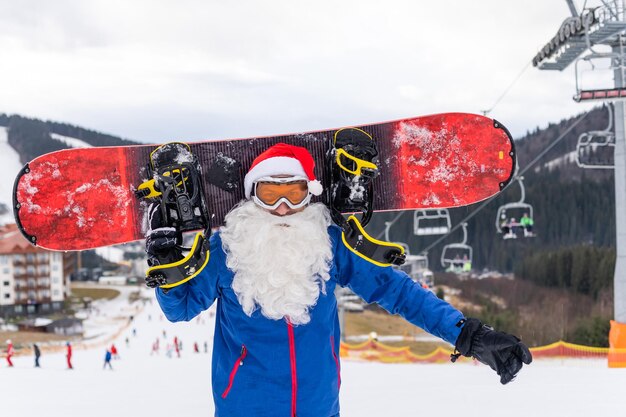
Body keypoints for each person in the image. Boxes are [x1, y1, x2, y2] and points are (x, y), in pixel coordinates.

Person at [146, 143, 531, 417]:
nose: (282, 207)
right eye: (270, 192)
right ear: (252, 196)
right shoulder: (226, 248)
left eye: (293, 193)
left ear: (308, 196)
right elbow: (180, 310)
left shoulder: (329, 246)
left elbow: (398, 291)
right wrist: (166, 268)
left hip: (320, 409)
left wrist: (469, 335)